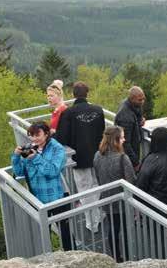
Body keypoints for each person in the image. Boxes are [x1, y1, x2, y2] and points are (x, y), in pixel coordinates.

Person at [11, 122, 73, 250]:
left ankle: (75, 257)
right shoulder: (30, 148)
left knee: (65, 233)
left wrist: (35, 158)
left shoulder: (57, 148)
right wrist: (16, 156)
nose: (34, 139)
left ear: (46, 133)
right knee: (43, 235)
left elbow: (52, 171)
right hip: (38, 199)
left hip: (57, 197)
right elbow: (19, 172)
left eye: (37, 135)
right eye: (31, 135)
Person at [55, 81, 105, 232]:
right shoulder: (98, 110)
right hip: (97, 155)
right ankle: (98, 214)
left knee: (84, 189)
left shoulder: (68, 113)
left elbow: (62, 138)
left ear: (73, 94)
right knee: (96, 185)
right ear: (87, 93)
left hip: (79, 158)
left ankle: (92, 223)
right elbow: (102, 131)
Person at [93, 126, 136, 262]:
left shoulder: (97, 155)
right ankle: (129, 259)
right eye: (122, 137)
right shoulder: (123, 158)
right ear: (115, 140)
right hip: (122, 201)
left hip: (107, 198)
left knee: (113, 229)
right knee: (127, 231)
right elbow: (131, 181)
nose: (124, 140)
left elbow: (98, 176)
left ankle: (116, 257)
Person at [114, 86, 146, 170]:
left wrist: (140, 120)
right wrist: (135, 163)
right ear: (132, 99)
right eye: (140, 100)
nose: (142, 102)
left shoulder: (132, 104)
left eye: (143, 99)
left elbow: (138, 113)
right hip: (128, 155)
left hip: (134, 144)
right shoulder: (126, 117)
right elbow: (125, 143)